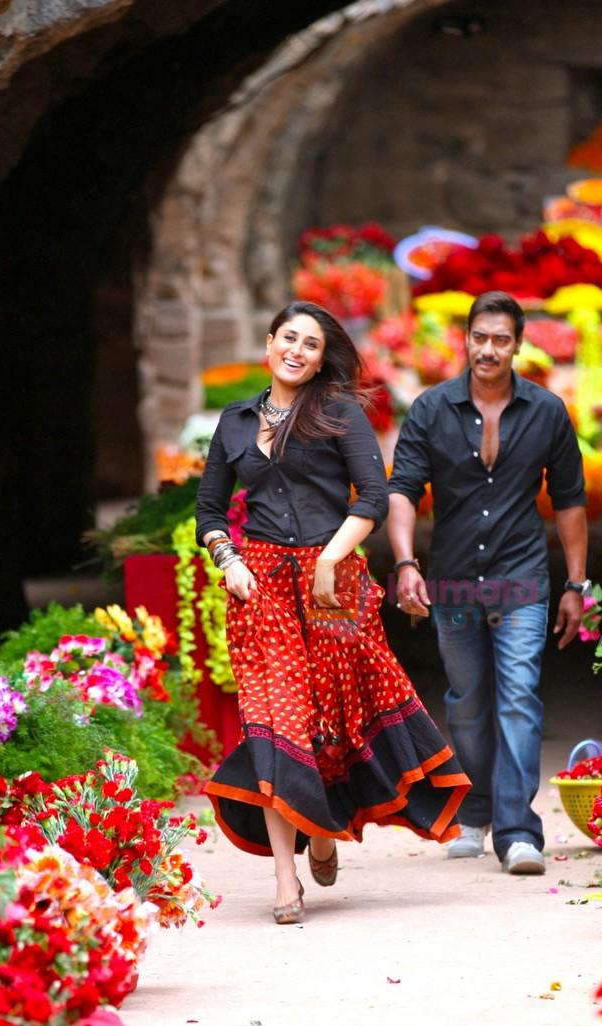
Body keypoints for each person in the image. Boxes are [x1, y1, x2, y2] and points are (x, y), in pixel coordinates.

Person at [196, 301, 469, 924]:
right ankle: (285, 882)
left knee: (330, 722)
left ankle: (325, 825)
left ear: (322, 358)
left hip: (335, 590)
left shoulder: (340, 413)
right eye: (287, 338)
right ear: (268, 344)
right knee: (274, 723)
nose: (297, 350)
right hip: (260, 588)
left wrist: (329, 558)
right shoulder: (234, 422)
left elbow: (373, 496)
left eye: (311, 344)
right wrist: (228, 560)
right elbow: (209, 512)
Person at [387, 291, 590, 876]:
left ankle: (519, 831)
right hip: (452, 582)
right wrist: (405, 563)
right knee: (469, 706)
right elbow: (403, 490)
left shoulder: (547, 411)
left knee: (520, 700)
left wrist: (577, 584)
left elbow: (570, 501)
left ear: (518, 346)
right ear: (467, 340)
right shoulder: (430, 409)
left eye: (502, 339)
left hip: (521, 578)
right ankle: (474, 809)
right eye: (480, 337)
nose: (489, 349)